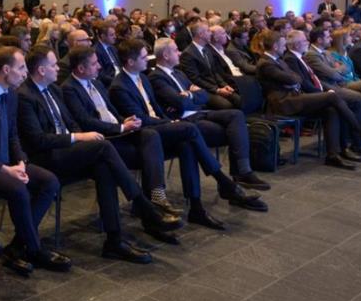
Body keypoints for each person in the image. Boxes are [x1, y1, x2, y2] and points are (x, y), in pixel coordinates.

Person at [17, 46, 181, 261]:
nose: (58, 68)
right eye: (54, 65)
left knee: (104, 166)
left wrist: (78, 136)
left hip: (67, 149)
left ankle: (114, 240)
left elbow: (71, 123)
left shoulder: (53, 89)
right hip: (45, 156)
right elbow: (37, 140)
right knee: (103, 147)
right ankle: (144, 206)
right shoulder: (24, 96)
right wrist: (78, 137)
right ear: (41, 70)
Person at [110, 39, 266, 228]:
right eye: (144, 57)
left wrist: (179, 107)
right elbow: (141, 119)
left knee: (187, 143)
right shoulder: (120, 86)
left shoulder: (142, 77)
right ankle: (224, 183)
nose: (148, 60)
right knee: (189, 129)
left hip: (161, 125)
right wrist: (170, 121)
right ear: (130, 62)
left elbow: (160, 107)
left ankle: (196, 208)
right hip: (145, 133)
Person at [0, 47, 69, 276]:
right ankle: (34, 249)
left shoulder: (12, 93)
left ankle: (17, 246)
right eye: (21, 68)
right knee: (18, 188)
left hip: (4, 162)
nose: (25, 73)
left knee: (49, 182)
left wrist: (21, 161)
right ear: (6, 70)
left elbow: (13, 135)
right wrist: (4, 169)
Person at [60, 46, 184, 230]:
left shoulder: (96, 83)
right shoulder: (69, 89)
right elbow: (86, 121)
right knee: (148, 153)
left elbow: (111, 112)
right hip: (103, 138)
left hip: (118, 132)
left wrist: (124, 121)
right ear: (81, 68)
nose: (99, 66)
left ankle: (156, 196)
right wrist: (120, 127)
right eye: (94, 63)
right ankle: (149, 210)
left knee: (150, 135)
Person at [150, 38, 271, 190]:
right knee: (233, 132)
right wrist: (192, 95)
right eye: (175, 50)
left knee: (236, 115)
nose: (179, 53)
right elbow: (180, 103)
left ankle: (243, 171)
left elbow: (204, 95)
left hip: (200, 111)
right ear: (166, 55)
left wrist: (189, 95)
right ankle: (240, 174)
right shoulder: (156, 77)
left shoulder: (179, 73)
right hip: (185, 121)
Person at [257, 30, 361, 169]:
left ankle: (334, 155)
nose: (284, 47)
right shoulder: (266, 63)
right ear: (275, 46)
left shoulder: (279, 60)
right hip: (283, 103)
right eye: (282, 45)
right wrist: (293, 80)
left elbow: (296, 78)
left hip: (293, 97)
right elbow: (294, 79)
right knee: (332, 96)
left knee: (331, 110)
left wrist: (293, 80)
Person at [179, 22, 241, 110]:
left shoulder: (207, 49)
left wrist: (224, 85)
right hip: (203, 90)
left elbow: (214, 72)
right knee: (226, 105)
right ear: (200, 34)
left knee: (238, 99)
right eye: (208, 31)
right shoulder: (188, 54)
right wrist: (217, 90)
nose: (211, 33)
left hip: (215, 86)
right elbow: (195, 79)